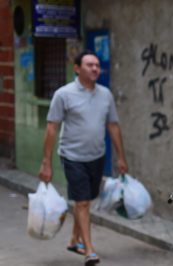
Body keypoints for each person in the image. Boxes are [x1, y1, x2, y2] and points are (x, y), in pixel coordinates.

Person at [39, 50, 128, 266]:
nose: (95, 68)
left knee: (86, 199)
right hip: (72, 156)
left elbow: (113, 126)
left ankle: (73, 240)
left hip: (97, 155)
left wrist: (121, 157)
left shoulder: (105, 94)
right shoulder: (64, 94)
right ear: (77, 68)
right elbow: (52, 128)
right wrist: (46, 162)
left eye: (97, 65)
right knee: (83, 202)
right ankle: (89, 250)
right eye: (89, 65)